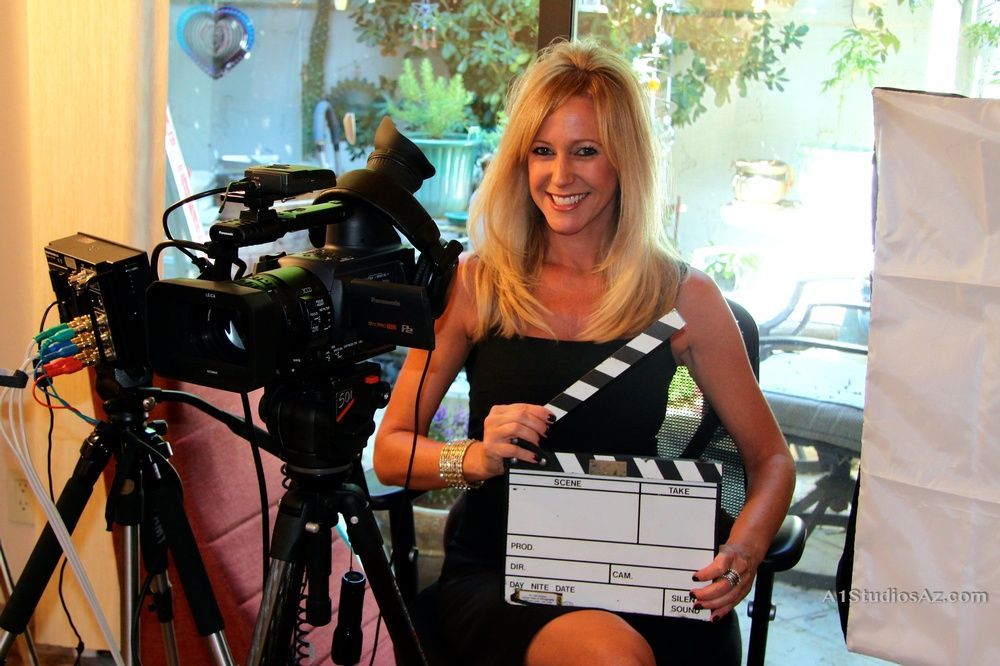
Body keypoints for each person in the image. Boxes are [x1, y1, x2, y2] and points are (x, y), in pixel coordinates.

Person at [374, 39, 795, 666]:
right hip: (506, 578)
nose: (559, 176)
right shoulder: (476, 285)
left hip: (654, 581)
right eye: (541, 151)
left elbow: (771, 462)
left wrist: (746, 549)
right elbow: (390, 452)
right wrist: (475, 457)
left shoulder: (685, 298)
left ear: (624, 162)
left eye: (585, 152)